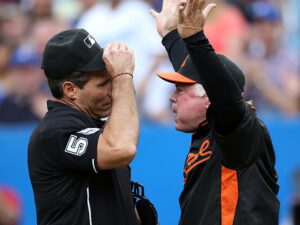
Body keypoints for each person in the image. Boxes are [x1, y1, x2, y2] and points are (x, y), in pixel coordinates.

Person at [150, 0, 280, 224]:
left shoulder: (240, 131)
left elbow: (219, 89)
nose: (172, 97)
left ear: (210, 96)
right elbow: (195, 70)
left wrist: (196, 39)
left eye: (181, 91)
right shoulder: (207, 128)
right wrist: (170, 35)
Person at [27, 28, 140, 225]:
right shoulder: (56, 129)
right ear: (70, 90)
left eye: (112, 80)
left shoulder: (95, 125)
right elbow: (122, 148)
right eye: (104, 83)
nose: (113, 90)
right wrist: (123, 76)